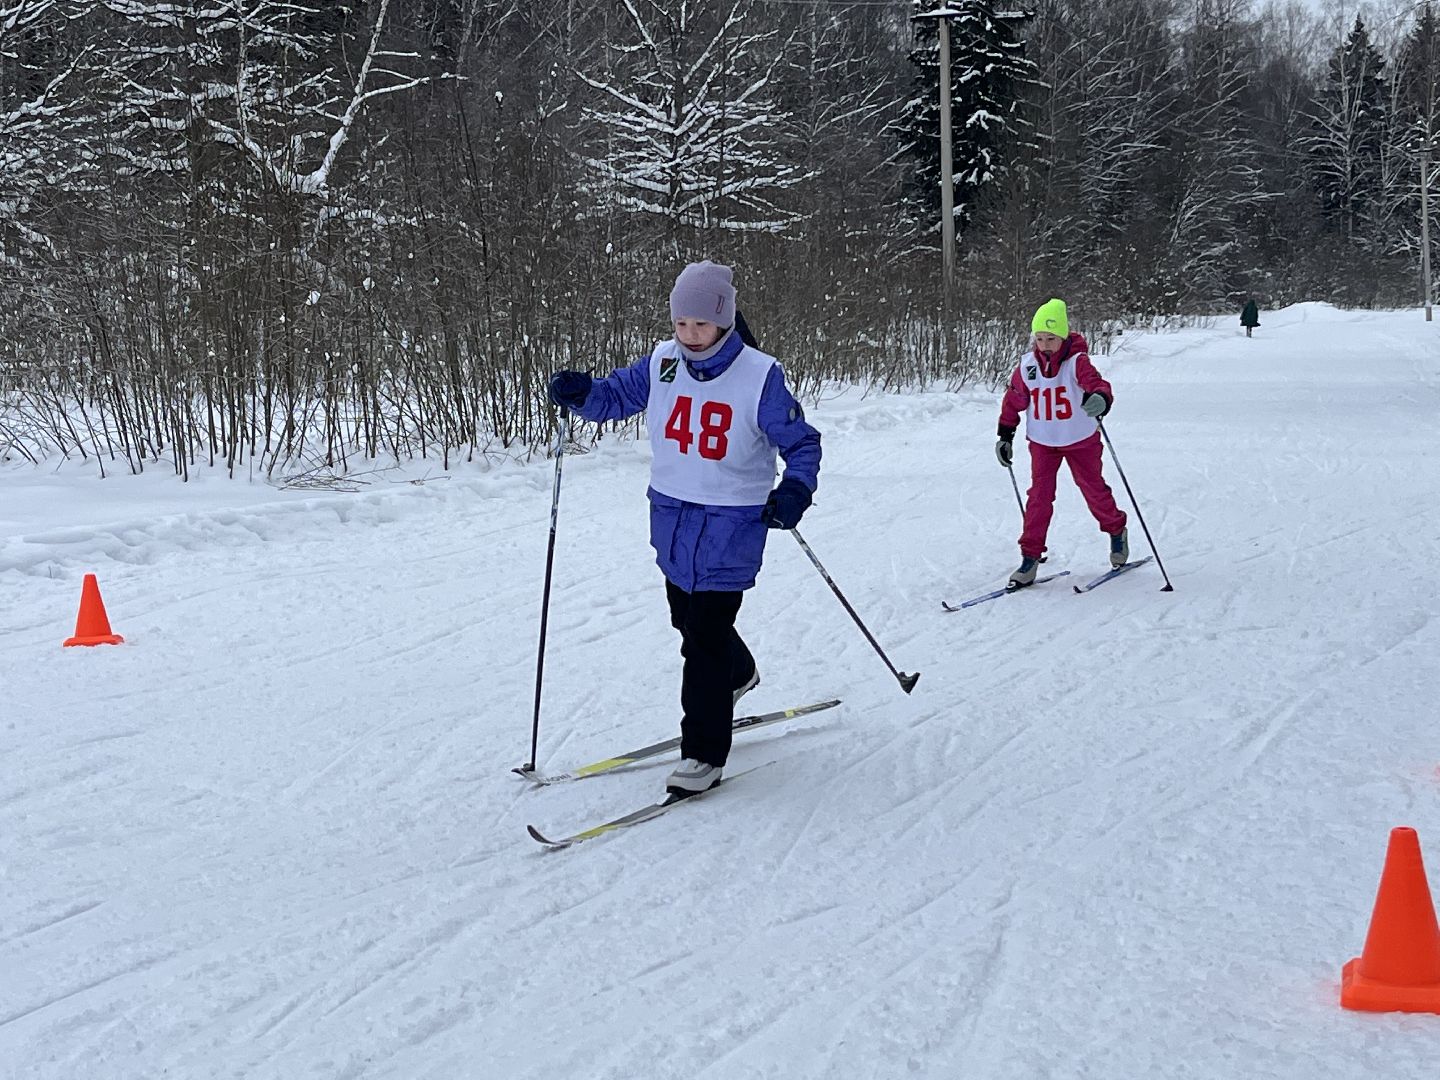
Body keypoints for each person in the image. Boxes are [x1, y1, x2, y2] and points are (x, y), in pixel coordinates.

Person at [547, 260, 821, 796]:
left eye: (701, 324)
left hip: (733, 523)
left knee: (703, 641)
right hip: (672, 519)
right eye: (680, 324)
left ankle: (703, 752)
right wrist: (582, 394)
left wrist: (795, 490)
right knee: (687, 620)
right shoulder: (663, 363)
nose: (690, 335)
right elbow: (615, 397)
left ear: (724, 319)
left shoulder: (759, 375)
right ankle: (739, 675)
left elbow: (801, 442)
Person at [995, 298, 1127, 588]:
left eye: (1051, 338)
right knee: (1039, 497)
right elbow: (1014, 399)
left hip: (1079, 439)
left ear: (1064, 336)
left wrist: (1100, 399)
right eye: (1040, 338)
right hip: (1043, 442)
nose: (1044, 344)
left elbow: (1098, 385)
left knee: (1092, 489)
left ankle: (1116, 530)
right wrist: (1005, 435)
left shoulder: (1076, 362)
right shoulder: (1028, 366)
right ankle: (1029, 558)